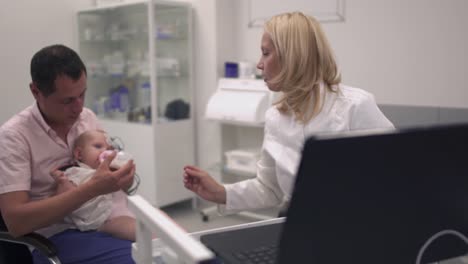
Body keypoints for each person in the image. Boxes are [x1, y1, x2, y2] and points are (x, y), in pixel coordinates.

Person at [183, 12, 395, 216]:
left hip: (351, 225)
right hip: (297, 222)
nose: (259, 64)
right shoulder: (276, 117)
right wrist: (220, 192)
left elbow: (396, 177)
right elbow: (270, 189)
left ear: (292, 56)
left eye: (266, 53)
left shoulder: (354, 107)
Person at [0, 44, 136, 264]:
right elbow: (16, 222)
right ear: (36, 91)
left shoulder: (88, 118)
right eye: (67, 100)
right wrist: (90, 189)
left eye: (82, 95)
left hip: (109, 219)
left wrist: (123, 178)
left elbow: (111, 177)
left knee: (177, 245)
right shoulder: (14, 136)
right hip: (60, 236)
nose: (78, 107)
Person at [50, 129, 135, 242]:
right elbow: (64, 201)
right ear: (79, 154)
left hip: (128, 209)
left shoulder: (111, 171)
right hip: (107, 219)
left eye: (109, 149)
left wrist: (126, 176)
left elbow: (124, 189)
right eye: (98, 146)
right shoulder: (76, 173)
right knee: (136, 228)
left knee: (157, 216)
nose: (105, 151)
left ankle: (164, 237)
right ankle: (160, 245)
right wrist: (62, 181)